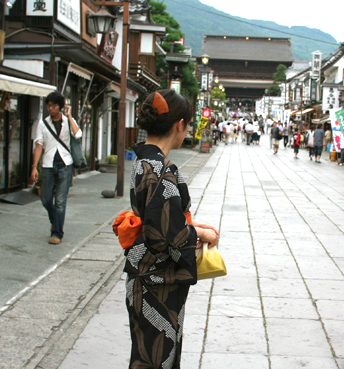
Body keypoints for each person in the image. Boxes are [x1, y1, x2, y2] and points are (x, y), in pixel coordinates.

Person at [126, 90, 219, 369]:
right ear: (180, 124)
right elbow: (165, 233)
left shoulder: (146, 161)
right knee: (155, 360)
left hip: (150, 276)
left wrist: (190, 223)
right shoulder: (158, 168)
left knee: (153, 356)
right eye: (188, 124)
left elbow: (161, 217)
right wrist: (202, 234)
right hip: (156, 282)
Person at [31, 91, 82, 245]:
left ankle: (57, 233)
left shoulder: (67, 121)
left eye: (53, 105)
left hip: (65, 165)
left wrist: (70, 115)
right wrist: (34, 167)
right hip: (47, 165)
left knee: (60, 201)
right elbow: (39, 145)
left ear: (60, 106)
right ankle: (56, 221)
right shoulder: (43, 123)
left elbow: (78, 134)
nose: (50, 108)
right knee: (46, 200)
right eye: (48, 105)